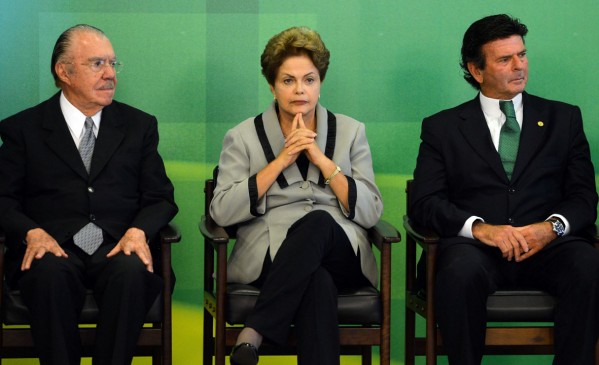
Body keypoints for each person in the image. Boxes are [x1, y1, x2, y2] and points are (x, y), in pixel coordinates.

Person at [410, 14, 599, 365]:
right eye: (505, 59)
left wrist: (550, 228)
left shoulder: (564, 119)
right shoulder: (443, 127)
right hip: (475, 250)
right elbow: (425, 202)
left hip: (547, 247)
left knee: (588, 264)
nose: (519, 66)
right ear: (476, 70)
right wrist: (480, 229)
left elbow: (584, 198)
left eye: (522, 55)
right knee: (458, 273)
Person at [0, 24, 178, 365]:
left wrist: (138, 232)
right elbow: (2, 199)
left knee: (130, 272)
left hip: (117, 242)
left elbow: (160, 197)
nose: (110, 74)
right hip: (51, 244)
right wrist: (31, 232)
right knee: (49, 273)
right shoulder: (24, 129)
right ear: (63, 71)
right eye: (97, 64)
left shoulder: (138, 126)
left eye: (113, 64)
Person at [209, 26, 383, 365]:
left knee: (318, 221)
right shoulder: (242, 136)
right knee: (316, 281)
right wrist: (281, 161)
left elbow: (371, 211)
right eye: (288, 80)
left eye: (309, 79)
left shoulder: (351, 131)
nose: (300, 90)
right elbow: (221, 212)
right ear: (272, 86)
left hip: (341, 249)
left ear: (320, 83)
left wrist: (320, 158)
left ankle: (255, 330)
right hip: (270, 254)